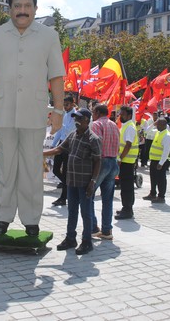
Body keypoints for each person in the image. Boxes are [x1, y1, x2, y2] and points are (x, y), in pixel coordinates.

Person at [0, 0, 65, 237]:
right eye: (17, 6)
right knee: (6, 167)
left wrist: (58, 111)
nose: (22, 11)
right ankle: (2, 217)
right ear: (9, 8)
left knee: (31, 168)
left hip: (35, 111)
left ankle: (31, 219)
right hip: (4, 110)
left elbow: (57, 76)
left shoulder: (49, 36)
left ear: (35, 8)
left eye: (27, 6)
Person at [44, 108, 101, 255]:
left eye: (79, 118)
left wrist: (93, 181)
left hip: (85, 183)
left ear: (87, 120)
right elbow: (59, 149)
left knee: (86, 213)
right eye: (75, 118)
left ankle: (87, 242)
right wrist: (40, 153)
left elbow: (98, 161)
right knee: (72, 211)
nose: (76, 121)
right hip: (71, 181)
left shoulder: (93, 139)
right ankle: (70, 238)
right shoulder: (73, 135)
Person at [89, 103, 120, 240]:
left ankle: (93, 227)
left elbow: (96, 145)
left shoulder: (96, 124)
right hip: (113, 162)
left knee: (88, 195)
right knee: (108, 199)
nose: (92, 114)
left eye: (93, 112)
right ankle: (107, 230)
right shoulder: (114, 125)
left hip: (102, 162)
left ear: (97, 112)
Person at [50, 95, 76, 206]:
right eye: (64, 105)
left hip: (69, 145)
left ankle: (63, 197)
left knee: (65, 172)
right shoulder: (65, 115)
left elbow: (69, 130)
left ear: (72, 104)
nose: (65, 107)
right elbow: (60, 131)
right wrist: (53, 144)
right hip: (61, 143)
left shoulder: (75, 115)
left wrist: (61, 124)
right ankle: (67, 185)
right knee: (55, 169)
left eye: (67, 104)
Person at [115, 105, 138, 220]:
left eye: (123, 114)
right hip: (125, 161)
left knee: (127, 187)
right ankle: (126, 208)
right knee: (124, 186)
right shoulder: (126, 126)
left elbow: (128, 145)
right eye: (120, 114)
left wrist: (120, 158)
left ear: (129, 115)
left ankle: (128, 209)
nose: (120, 116)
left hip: (127, 161)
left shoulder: (130, 127)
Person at [145, 117, 170, 203]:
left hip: (161, 161)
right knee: (153, 178)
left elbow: (166, 151)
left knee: (161, 179)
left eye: (158, 124)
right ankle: (153, 193)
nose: (157, 126)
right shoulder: (158, 132)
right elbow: (147, 131)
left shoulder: (167, 136)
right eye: (157, 124)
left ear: (164, 125)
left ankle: (161, 196)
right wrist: (153, 124)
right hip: (154, 159)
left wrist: (161, 163)